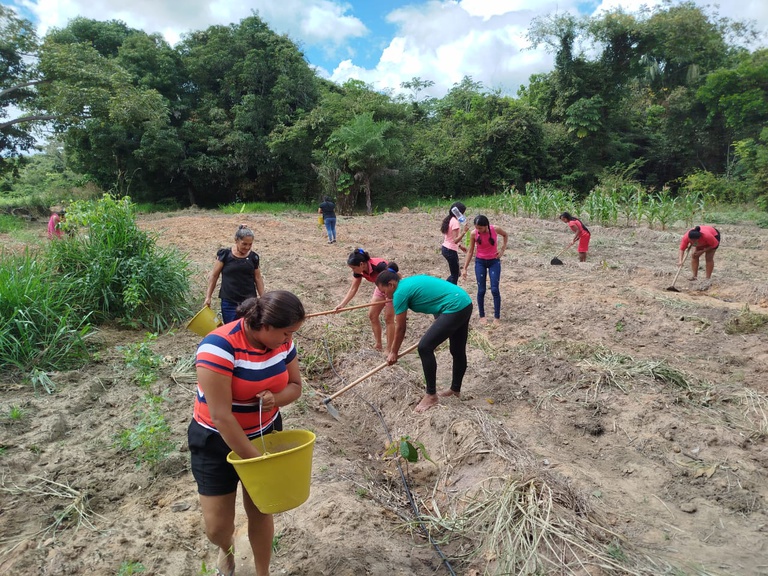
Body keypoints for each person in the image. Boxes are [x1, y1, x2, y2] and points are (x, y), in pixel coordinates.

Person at [188, 291, 306, 576]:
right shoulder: (218, 347)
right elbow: (221, 416)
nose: (289, 340)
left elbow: (295, 386)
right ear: (265, 326)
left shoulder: (282, 345)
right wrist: (258, 462)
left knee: (262, 509)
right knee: (217, 527)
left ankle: (262, 572)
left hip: (264, 434)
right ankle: (225, 548)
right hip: (215, 440)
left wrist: (276, 399)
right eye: (286, 333)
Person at [375, 272, 472, 413]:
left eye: (384, 292)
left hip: (455, 306)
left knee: (425, 347)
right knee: (457, 350)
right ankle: (455, 390)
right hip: (464, 302)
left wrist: (393, 352)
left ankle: (431, 395)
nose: (384, 296)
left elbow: (401, 328)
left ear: (391, 284)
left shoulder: (399, 293)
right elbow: (435, 296)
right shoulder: (407, 283)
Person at [335, 249, 399, 353]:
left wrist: (392, 294)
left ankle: (389, 349)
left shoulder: (380, 266)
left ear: (361, 264)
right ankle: (378, 344)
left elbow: (398, 276)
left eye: (353, 268)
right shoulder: (359, 271)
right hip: (380, 287)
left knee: (389, 318)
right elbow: (353, 288)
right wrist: (342, 304)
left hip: (392, 289)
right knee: (372, 315)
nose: (353, 271)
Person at [205, 225, 265, 324]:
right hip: (229, 301)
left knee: (249, 328)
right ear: (236, 240)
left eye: (250, 244)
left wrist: (263, 298)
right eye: (244, 244)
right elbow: (214, 276)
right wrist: (208, 296)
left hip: (249, 301)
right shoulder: (225, 255)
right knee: (231, 329)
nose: (247, 247)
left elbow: (258, 278)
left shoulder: (253, 257)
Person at [461, 215, 508, 325]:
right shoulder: (474, 234)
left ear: (486, 226)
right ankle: (482, 315)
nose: (478, 230)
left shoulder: (495, 229)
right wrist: (465, 268)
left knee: (495, 289)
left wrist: (502, 250)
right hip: (480, 262)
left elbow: (505, 235)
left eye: (480, 228)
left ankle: (497, 317)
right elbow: (470, 251)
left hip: (494, 262)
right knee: (481, 290)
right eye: (476, 228)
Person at [440, 202, 469, 284]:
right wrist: (464, 232)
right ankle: (449, 290)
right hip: (450, 251)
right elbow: (455, 240)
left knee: (456, 273)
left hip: (446, 248)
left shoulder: (449, 219)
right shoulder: (455, 222)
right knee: (455, 275)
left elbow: (449, 238)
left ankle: (445, 286)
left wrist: (460, 246)